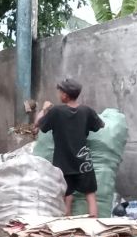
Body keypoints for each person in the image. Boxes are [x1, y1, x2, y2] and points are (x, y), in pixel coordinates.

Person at [34, 77, 105, 216]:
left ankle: (66, 230)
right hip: (83, 161)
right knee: (90, 196)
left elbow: (37, 124)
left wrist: (44, 109)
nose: (58, 94)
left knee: (67, 198)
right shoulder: (86, 111)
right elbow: (100, 125)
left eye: (59, 92)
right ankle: (94, 228)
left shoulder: (56, 112)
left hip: (63, 163)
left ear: (65, 95)